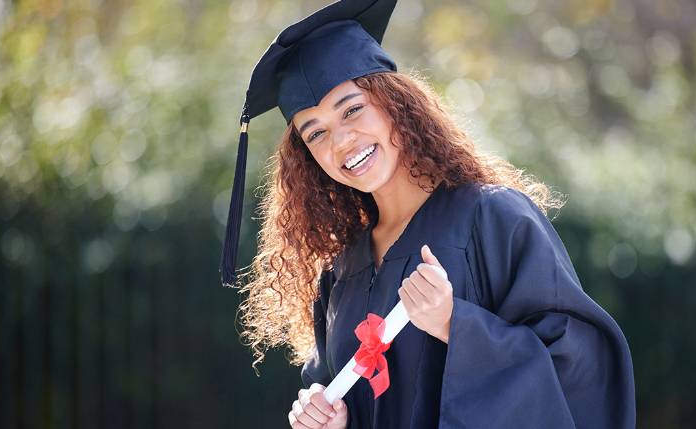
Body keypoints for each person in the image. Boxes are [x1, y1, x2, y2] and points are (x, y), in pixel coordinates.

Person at [220, 1, 636, 428]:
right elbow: (346, 393)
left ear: (395, 102)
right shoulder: (341, 273)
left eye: (352, 109)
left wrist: (458, 326)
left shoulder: (492, 219)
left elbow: (580, 369)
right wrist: (330, 419)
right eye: (317, 133)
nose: (342, 141)